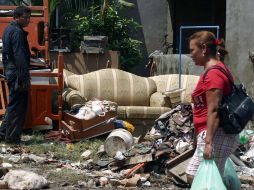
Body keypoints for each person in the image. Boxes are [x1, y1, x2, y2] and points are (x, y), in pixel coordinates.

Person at [185, 31, 239, 183]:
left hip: (216, 134)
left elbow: (214, 109)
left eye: (192, 50)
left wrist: (208, 142)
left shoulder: (214, 74)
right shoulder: (213, 70)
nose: (190, 55)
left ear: (203, 48)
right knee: (213, 180)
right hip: (215, 134)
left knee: (194, 176)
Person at [0, 6, 31, 144]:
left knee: (13, 104)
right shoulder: (17, 32)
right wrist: (24, 77)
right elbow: (19, 56)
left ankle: (2, 134)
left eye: (29, 17)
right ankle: (12, 138)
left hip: (11, 71)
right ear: (17, 17)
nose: (28, 20)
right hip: (18, 73)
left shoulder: (8, 29)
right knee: (18, 106)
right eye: (25, 17)